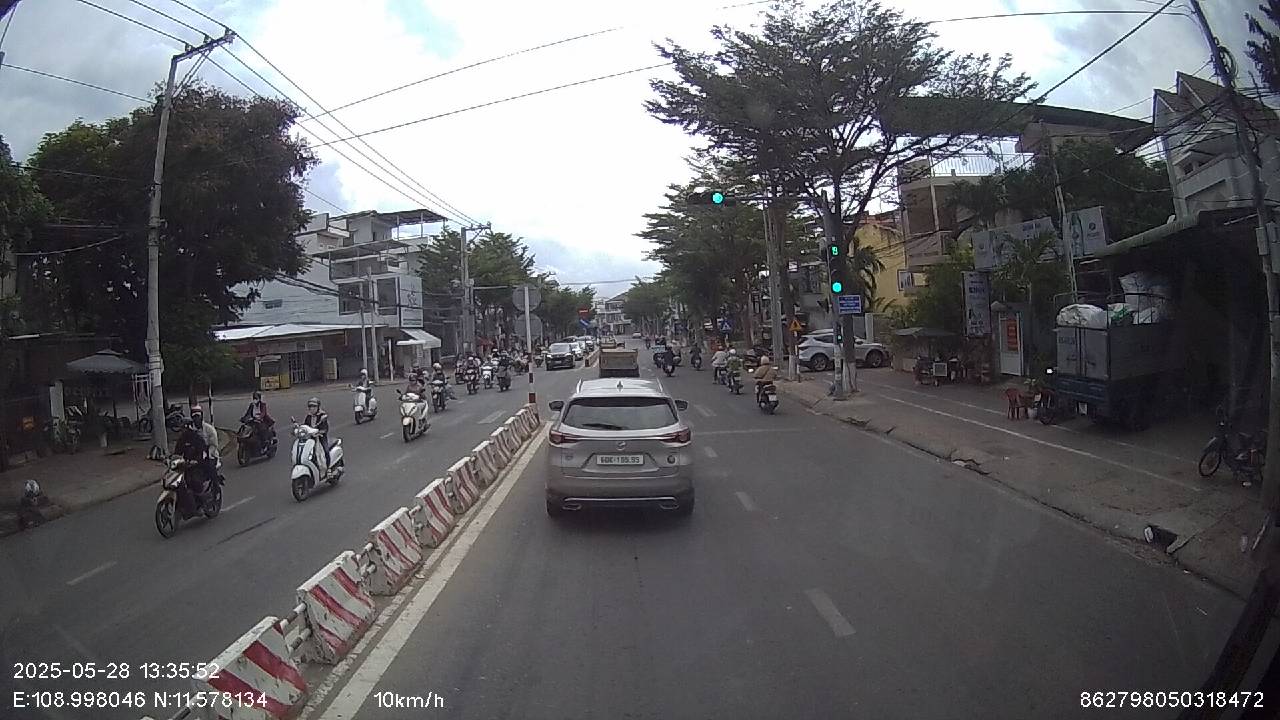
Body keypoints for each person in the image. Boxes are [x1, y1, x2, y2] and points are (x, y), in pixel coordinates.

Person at [189, 405, 220, 485]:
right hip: (193, 456)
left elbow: (213, 445)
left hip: (209, 455)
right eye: (194, 416)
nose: (196, 419)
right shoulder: (189, 430)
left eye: (198, 416)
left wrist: (207, 454)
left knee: (210, 468)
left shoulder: (210, 429)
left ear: (201, 416)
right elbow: (181, 444)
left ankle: (215, 486)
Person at [303, 397, 331, 467]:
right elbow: (305, 425)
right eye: (310, 406)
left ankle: (328, 467)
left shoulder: (322, 416)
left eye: (314, 406)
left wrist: (320, 432)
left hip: (320, 437)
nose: (312, 408)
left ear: (318, 407)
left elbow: (325, 428)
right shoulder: (308, 416)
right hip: (310, 438)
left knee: (326, 450)